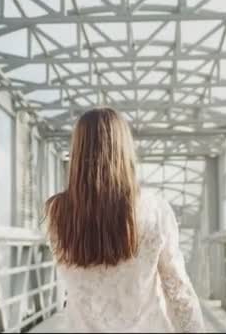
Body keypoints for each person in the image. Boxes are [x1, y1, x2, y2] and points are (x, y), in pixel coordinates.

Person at [44, 107, 205, 333]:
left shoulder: (57, 213)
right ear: (124, 149)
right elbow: (178, 290)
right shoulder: (155, 209)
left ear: (78, 151)